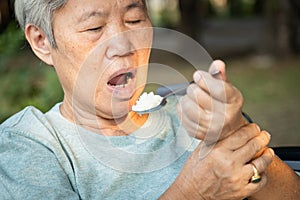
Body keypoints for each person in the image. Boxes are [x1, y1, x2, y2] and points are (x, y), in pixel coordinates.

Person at [0, 0, 298, 199]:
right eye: (94, 28)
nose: (124, 44)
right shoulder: (31, 143)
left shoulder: (193, 110)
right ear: (41, 42)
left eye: (134, 19)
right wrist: (194, 193)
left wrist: (233, 135)